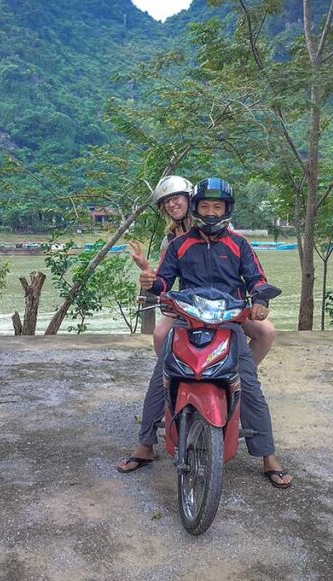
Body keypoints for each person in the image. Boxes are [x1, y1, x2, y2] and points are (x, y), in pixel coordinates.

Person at [117, 177, 292, 489]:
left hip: (228, 323)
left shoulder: (238, 244)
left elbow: (256, 278)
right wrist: (151, 282)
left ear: (226, 210)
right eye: (206, 206)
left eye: (217, 207)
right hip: (188, 321)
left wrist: (261, 300)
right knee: (162, 377)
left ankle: (268, 455)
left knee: (248, 384)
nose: (211, 213)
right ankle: (145, 444)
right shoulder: (179, 245)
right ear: (196, 208)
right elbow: (163, 284)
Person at [129, 175, 276, 365]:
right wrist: (150, 276)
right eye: (167, 202)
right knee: (160, 335)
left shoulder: (233, 238)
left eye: (176, 199)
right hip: (190, 304)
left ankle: (241, 371)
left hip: (228, 306)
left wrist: (260, 299)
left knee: (266, 332)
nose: (172, 204)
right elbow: (164, 280)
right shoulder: (172, 242)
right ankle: (170, 376)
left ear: (190, 199)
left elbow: (254, 276)